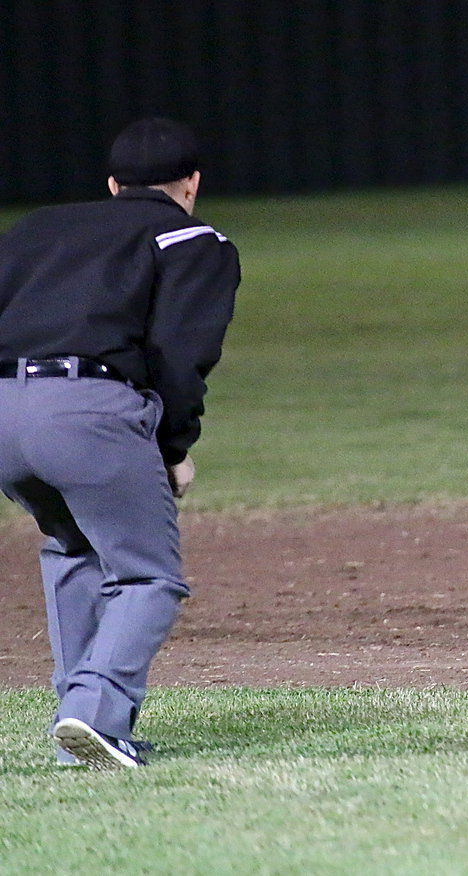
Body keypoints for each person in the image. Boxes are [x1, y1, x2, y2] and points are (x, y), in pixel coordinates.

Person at [0, 117, 240, 769]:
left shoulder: (33, 230)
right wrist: (173, 447)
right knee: (148, 574)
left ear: (112, 184)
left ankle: (81, 734)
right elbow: (181, 356)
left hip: (4, 411)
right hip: (87, 411)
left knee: (74, 546)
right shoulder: (191, 236)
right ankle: (92, 712)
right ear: (191, 183)